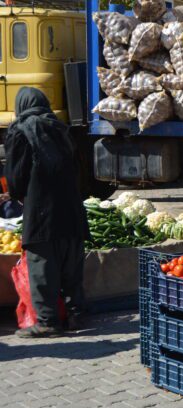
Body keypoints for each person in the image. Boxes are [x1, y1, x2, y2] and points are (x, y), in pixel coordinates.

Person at [4, 87, 90, 338]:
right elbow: (79, 171)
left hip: (41, 212)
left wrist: (19, 194)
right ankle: (78, 315)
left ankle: (48, 322)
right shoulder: (61, 129)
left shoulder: (20, 132)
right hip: (72, 210)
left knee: (42, 267)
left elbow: (15, 178)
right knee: (70, 265)